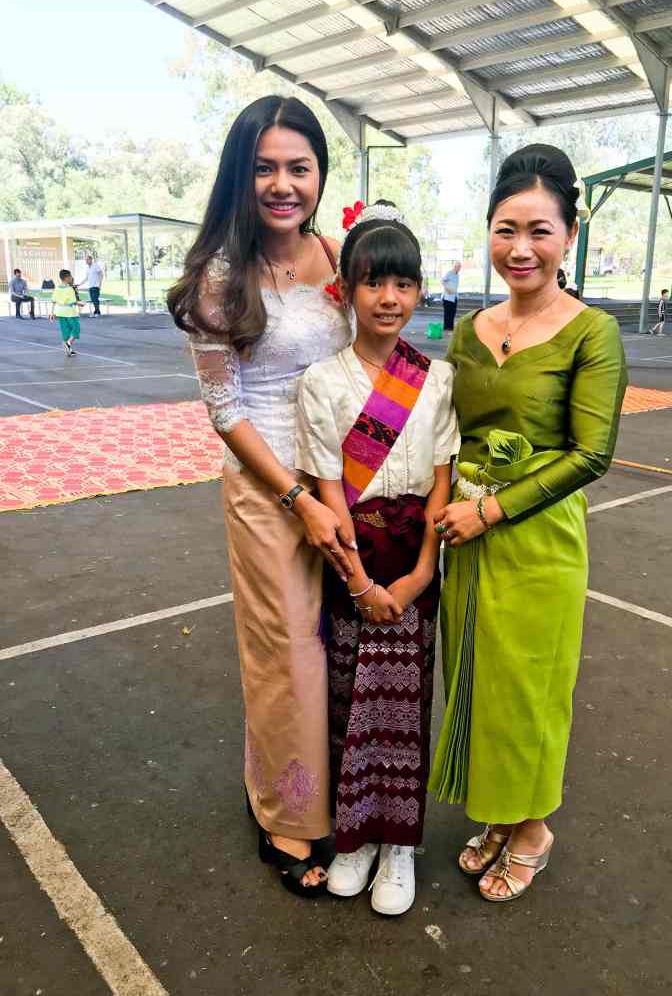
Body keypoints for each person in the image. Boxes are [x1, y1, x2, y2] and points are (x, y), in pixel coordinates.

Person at [429, 144, 628, 904]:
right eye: (506, 230)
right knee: (476, 679)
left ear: (569, 236)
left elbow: (592, 454)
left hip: (537, 538)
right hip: (464, 533)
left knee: (529, 688)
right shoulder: (471, 330)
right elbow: (434, 423)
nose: (521, 248)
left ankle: (534, 829)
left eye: (540, 231)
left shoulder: (592, 333)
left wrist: (491, 509)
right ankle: (502, 814)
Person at [168, 95, 356, 897]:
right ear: (238, 178)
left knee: (348, 644)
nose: (284, 185)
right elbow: (226, 411)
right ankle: (285, 811)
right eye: (265, 168)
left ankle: (345, 791)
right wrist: (296, 500)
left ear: (320, 174)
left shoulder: (340, 256)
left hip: (346, 479)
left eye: (299, 168)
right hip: (267, 487)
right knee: (288, 654)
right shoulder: (220, 276)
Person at [295, 201, 459, 915]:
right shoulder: (321, 382)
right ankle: (357, 835)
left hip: (414, 559)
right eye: (373, 282)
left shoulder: (437, 379)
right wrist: (360, 583)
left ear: (418, 289)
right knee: (349, 703)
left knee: (406, 708)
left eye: (403, 283)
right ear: (347, 290)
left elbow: (443, 478)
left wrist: (422, 573)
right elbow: (327, 491)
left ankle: (400, 845)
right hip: (352, 561)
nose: (389, 298)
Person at [50, 269, 83, 356]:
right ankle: (68, 343)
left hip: (60, 312)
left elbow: (53, 301)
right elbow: (73, 302)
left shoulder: (57, 288)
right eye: (70, 276)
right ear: (67, 277)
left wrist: (52, 313)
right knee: (76, 329)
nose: (72, 278)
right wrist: (81, 304)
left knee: (65, 331)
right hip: (69, 312)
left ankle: (68, 350)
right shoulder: (69, 289)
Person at [442, 260, 461, 332]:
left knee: (453, 312)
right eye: (458, 267)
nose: (459, 269)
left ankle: (451, 327)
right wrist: (447, 289)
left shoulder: (457, 275)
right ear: (455, 267)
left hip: (454, 296)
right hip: (447, 296)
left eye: (460, 267)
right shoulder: (449, 273)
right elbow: (442, 281)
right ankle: (446, 327)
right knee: (447, 312)